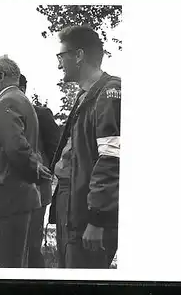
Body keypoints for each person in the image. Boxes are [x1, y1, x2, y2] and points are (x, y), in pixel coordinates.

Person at [48, 25, 121, 268]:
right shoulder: (84, 94)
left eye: (61, 57)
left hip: (87, 211)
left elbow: (111, 159)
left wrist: (97, 219)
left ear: (78, 55)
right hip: (71, 204)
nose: (59, 65)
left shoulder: (110, 92)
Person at [0, 55, 52, 268]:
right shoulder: (16, 100)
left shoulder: (8, 101)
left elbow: (16, 147)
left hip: (2, 202)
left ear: (1, 76)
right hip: (8, 201)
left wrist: (35, 168)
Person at [18, 74, 60, 268]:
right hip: (10, 191)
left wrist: (42, 171)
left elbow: (55, 150)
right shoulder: (0, 113)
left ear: (24, 89)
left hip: (37, 190)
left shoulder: (41, 114)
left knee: (32, 245)